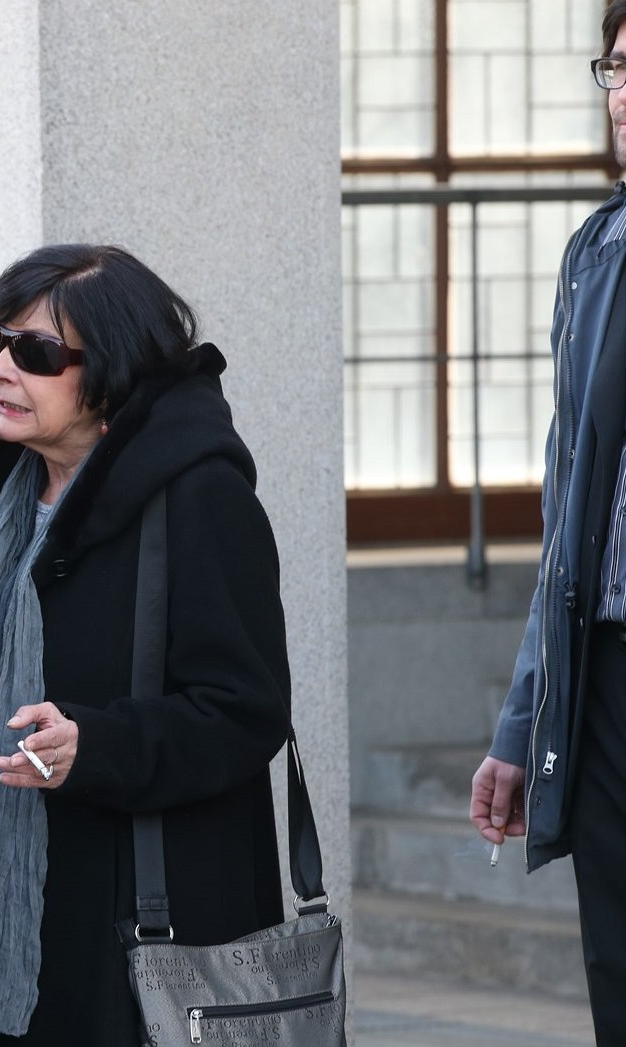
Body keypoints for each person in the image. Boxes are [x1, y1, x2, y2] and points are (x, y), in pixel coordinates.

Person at [0, 244, 292, 1044]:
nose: (0, 369)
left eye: (35, 352)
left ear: (112, 370)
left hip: (139, 932)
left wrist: (95, 746)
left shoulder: (198, 498)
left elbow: (247, 709)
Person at [472, 3, 626, 1034]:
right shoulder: (597, 250)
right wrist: (525, 720)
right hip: (605, 672)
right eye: (617, 67)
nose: (625, 94)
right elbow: (567, 515)